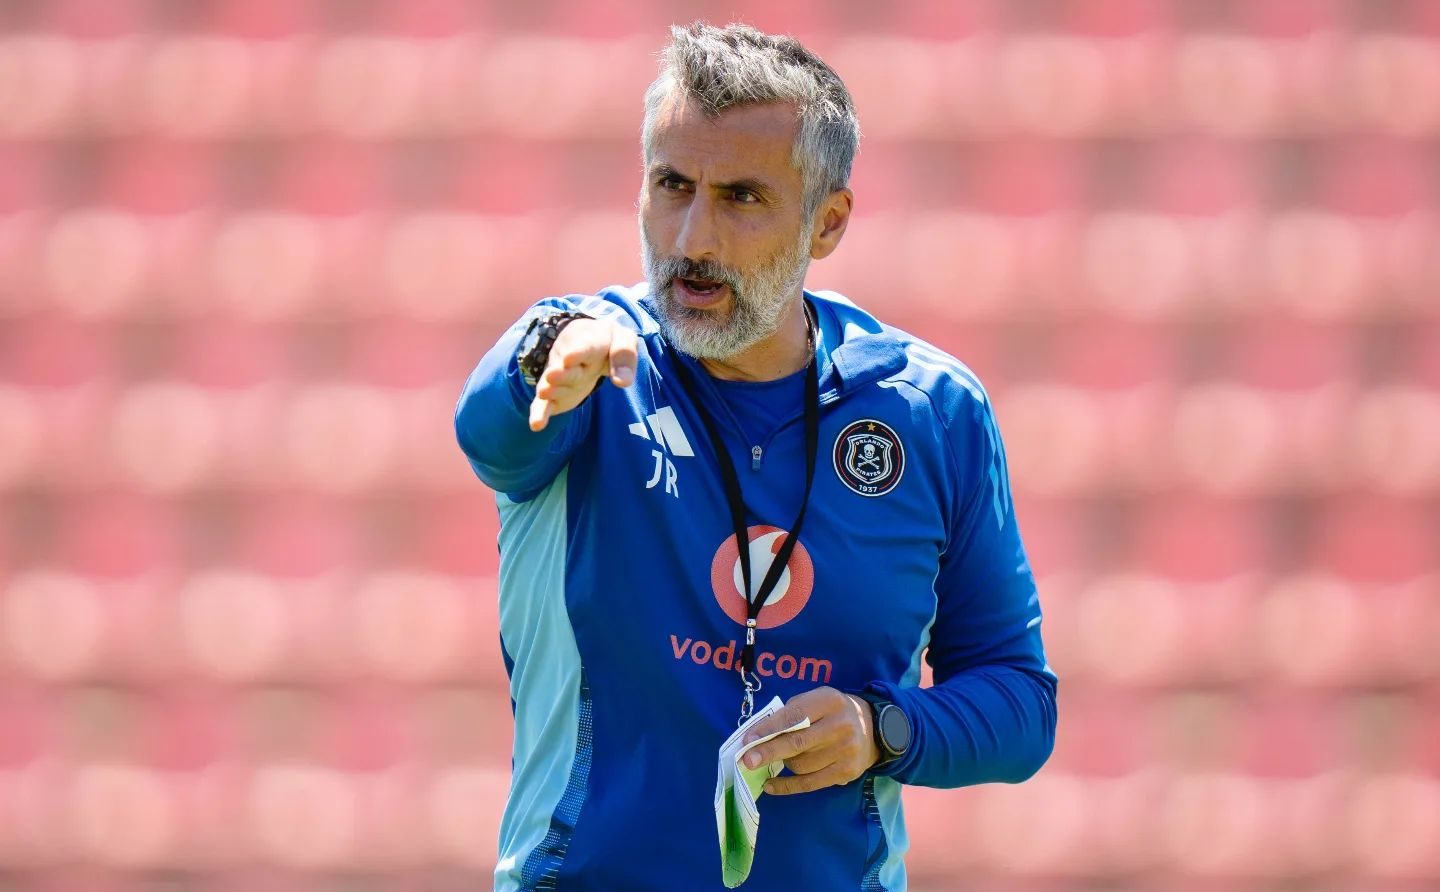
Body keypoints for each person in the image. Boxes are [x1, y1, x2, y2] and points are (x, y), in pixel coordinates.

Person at [455, 21, 1057, 892]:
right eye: (672, 185)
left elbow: (1019, 704)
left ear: (829, 223)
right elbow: (489, 437)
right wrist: (543, 357)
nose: (692, 237)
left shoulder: (932, 414)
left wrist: (879, 729)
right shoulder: (585, 361)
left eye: (741, 197)